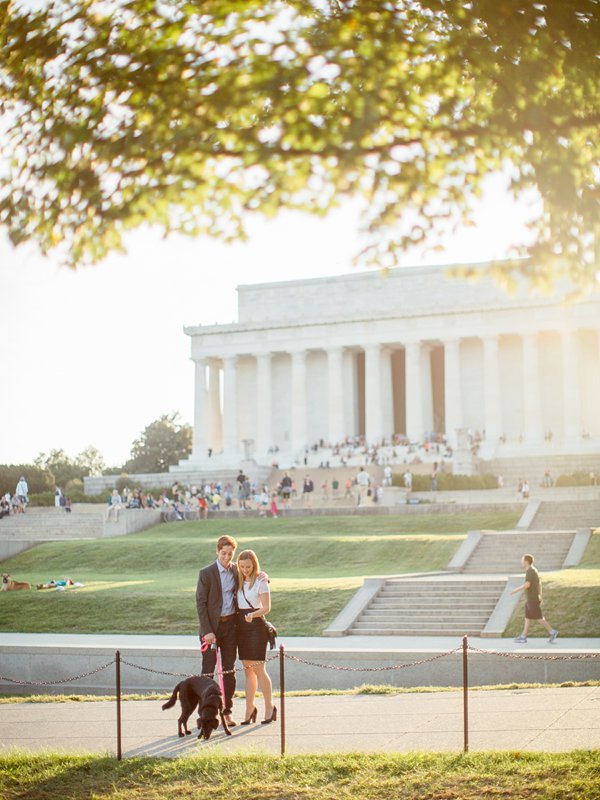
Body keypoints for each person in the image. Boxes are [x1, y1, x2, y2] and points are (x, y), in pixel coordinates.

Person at [196, 535, 240, 727]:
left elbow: (252, 576)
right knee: (208, 672)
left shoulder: (237, 571)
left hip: (230, 626)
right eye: (223, 553)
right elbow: (201, 603)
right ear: (217, 551)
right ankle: (205, 714)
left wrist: (263, 576)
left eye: (230, 553)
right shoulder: (206, 573)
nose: (227, 557)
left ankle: (227, 712)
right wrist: (207, 631)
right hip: (211, 630)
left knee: (229, 670)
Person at [236, 549, 276, 725]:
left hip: (256, 626)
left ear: (254, 565)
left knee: (259, 669)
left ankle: (269, 707)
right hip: (241, 627)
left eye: (248, 566)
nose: (245, 569)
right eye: (242, 566)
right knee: (247, 670)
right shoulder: (237, 579)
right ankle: (249, 709)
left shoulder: (261, 580)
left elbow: (267, 607)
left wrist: (253, 615)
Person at [510, 554, 558, 643]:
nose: (521, 562)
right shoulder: (533, 570)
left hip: (532, 599)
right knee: (527, 618)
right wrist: (540, 595)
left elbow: (527, 585)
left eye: (522, 560)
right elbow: (539, 584)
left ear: (526, 561)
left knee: (539, 618)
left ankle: (552, 631)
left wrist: (514, 591)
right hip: (531, 599)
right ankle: (523, 636)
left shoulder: (530, 571)